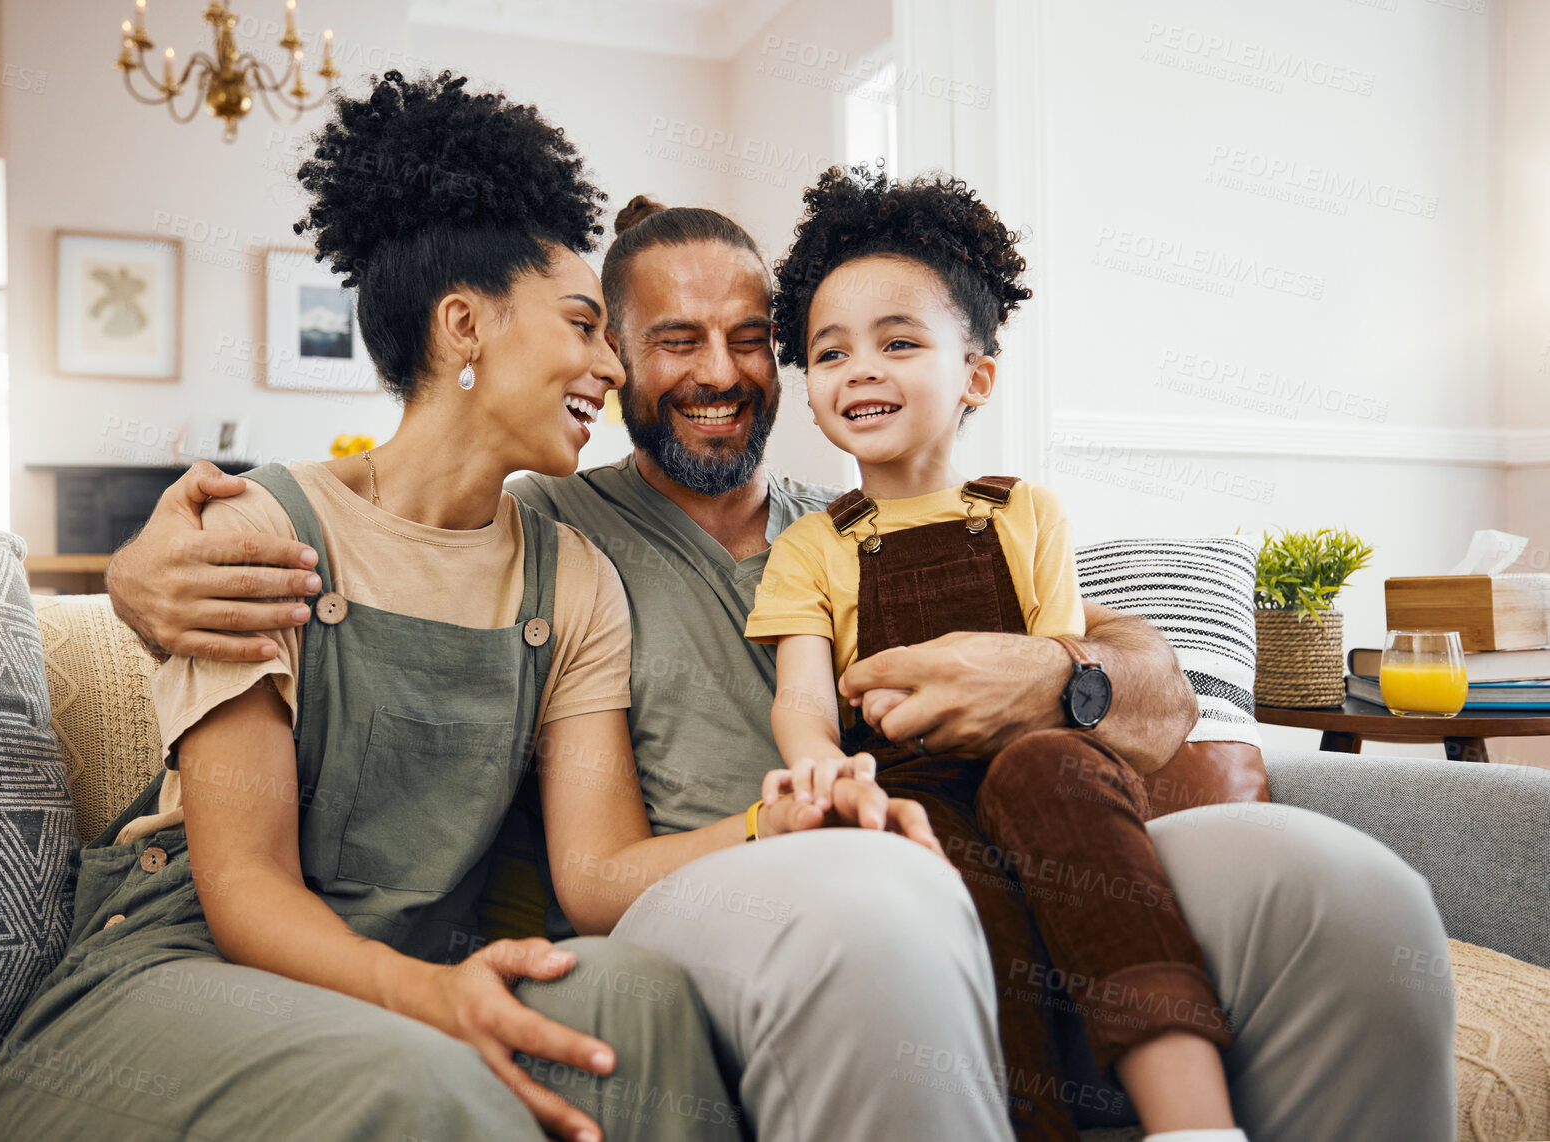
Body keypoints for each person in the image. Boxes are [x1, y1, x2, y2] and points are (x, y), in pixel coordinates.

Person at [105, 183, 1458, 1140]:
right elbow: (387, 525)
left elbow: (1153, 705)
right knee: (873, 900)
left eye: (754, 334)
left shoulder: (869, 516)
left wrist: (1066, 681)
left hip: (977, 842)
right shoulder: (547, 526)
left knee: (1342, 893)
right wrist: (136, 571)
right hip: (735, 887)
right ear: (613, 359)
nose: (719, 370)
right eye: (664, 338)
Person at [0, 71, 937, 1142]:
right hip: (190, 966)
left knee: (640, 1002)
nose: (608, 366)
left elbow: (596, 865)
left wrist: (774, 821)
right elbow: (243, 889)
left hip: (414, 960)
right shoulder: (254, 533)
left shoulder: (568, 576)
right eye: (583, 324)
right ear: (464, 323)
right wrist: (434, 998)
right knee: (435, 1090)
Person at [747, 165, 1244, 1142]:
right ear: (810, 394)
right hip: (911, 779)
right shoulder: (811, 545)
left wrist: (1054, 710)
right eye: (830, 352)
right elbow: (803, 694)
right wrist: (816, 760)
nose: (860, 369)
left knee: (1050, 763)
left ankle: (1193, 1121)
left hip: (1037, 761)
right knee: (945, 880)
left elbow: (1056, 673)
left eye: (897, 342)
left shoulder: (1025, 512)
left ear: (974, 373)